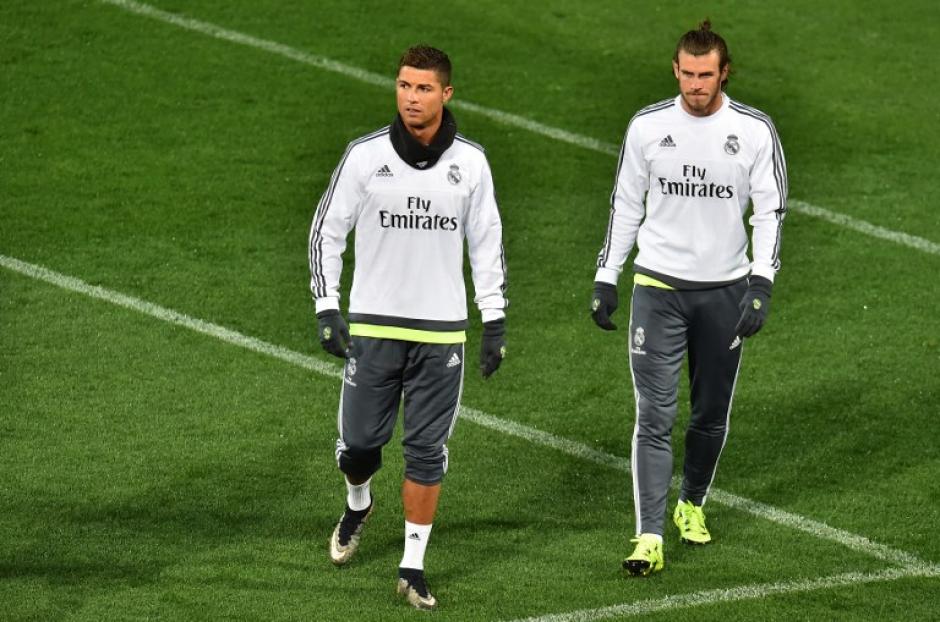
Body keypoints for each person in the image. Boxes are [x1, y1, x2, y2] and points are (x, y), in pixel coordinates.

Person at [308, 44, 508, 609]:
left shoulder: (471, 164)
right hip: (374, 327)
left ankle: (412, 567)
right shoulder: (365, 157)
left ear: (446, 93)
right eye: (403, 86)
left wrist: (493, 317)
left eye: (423, 88)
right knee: (358, 448)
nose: (411, 98)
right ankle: (358, 503)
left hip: (442, 333)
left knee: (426, 452)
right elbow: (327, 230)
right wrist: (327, 306)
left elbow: (487, 242)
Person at [590, 21, 787, 576]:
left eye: (705, 75)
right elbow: (625, 205)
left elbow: (770, 211)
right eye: (687, 74)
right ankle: (648, 536)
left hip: (724, 292)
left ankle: (691, 503)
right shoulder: (648, 127)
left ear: (724, 73)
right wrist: (607, 275)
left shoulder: (753, 131)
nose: (695, 85)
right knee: (654, 414)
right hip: (658, 289)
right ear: (675, 70)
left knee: (710, 414)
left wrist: (761, 283)